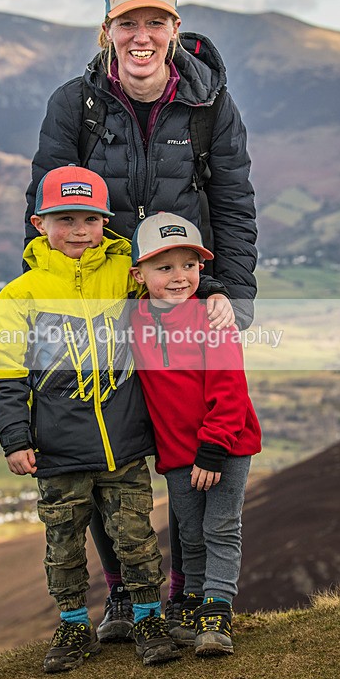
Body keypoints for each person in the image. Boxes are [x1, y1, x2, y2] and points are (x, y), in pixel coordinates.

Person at [23, 0, 257, 640]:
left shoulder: (212, 104)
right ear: (107, 32)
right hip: (98, 302)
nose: (141, 35)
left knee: (191, 444)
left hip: (183, 296)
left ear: (175, 29)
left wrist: (233, 298)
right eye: (127, 23)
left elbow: (233, 204)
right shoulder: (75, 104)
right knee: (106, 451)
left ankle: (186, 594)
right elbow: (44, 203)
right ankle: (125, 594)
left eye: (155, 22)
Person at [0, 165, 181, 671]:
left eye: (91, 219)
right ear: (39, 223)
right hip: (57, 449)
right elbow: (7, 375)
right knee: (63, 544)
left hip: (123, 443)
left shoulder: (124, 275)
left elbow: (172, 293)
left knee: (137, 537)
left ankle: (148, 619)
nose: (79, 230)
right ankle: (73, 626)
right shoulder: (18, 296)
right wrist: (14, 438)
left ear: (105, 221)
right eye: (65, 218)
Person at [128, 211, 262, 655]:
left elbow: (229, 389)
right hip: (176, 453)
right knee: (189, 532)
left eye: (189, 265)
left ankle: (217, 608)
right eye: (164, 267)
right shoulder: (134, 321)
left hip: (225, 445)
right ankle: (193, 602)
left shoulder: (213, 320)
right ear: (139, 274)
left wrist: (213, 449)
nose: (179, 276)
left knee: (220, 526)